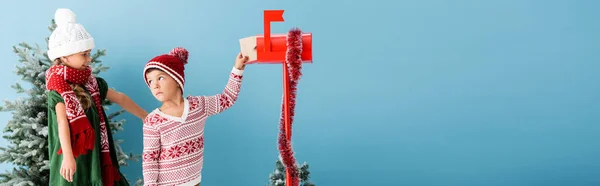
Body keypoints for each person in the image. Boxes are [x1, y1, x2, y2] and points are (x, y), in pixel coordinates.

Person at [45, 8, 147, 186]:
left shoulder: (93, 84)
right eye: (83, 54)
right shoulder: (58, 88)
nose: (89, 59)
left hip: (96, 155)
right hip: (73, 158)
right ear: (65, 56)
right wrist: (68, 157)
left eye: (89, 53)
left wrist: (146, 117)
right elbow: (62, 123)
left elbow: (121, 98)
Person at [141, 47, 249, 186]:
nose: (154, 85)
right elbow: (150, 158)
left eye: (160, 78)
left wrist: (237, 69)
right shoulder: (153, 121)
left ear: (176, 79)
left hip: (195, 181)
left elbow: (227, 99)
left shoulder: (198, 106)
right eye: (150, 81)